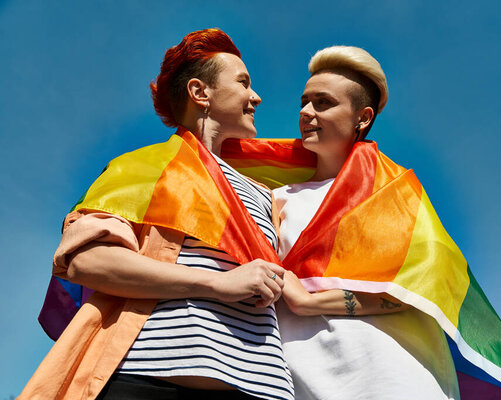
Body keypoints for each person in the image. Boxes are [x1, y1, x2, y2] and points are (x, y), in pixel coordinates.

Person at [21, 29, 294, 400]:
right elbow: (89, 262)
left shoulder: (266, 194)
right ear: (201, 93)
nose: (255, 96)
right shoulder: (145, 168)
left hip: (262, 388)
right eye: (243, 83)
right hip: (149, 380)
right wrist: (215, 283)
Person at [272, 46, 461, 399]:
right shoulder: (278, 197)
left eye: (323, 103)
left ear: (363, 117)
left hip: (395, 375)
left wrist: (310, 302)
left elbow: (423, 286)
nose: (305, 112)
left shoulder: (394, 190)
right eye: (305, 101)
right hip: (304, 378)